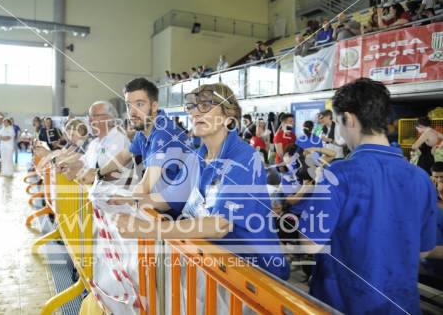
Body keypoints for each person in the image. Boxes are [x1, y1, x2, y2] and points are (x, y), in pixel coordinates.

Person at [114, 83, 290, 279]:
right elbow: (165, 199)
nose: (195, 113)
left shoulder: (244, 158)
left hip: (255, 276)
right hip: (217, 269)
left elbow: (219, 226)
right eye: (192, 107)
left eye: (205, 106)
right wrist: (127, 202)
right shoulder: (197, 158)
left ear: (228, 117)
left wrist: (147, 229)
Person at [296, 78, 437, 314]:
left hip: (345, 302)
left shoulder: (339, 174)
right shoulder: (421, 178)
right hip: (401, 305)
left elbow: (309, 244)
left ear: (349, 119)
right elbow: (424, 249)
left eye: (340, 124)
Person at [78, 77, 189, 202]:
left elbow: (145, 186)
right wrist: (97, 173)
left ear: (154, 106)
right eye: (128, 105)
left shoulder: (164, 131)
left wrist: (125, 199)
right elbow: (123, 156)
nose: (132, 111)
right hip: (158, 204)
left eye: (140, 104)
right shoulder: (144, 130)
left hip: (178, 213)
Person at [75, 101, 130, 182]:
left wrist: (96, 175)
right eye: (89, 116)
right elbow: (84, 162)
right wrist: (69, 166)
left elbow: (119, 172)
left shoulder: (119, 140)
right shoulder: (94, 143)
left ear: (109, 118)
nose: (90, 120)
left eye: (94, 115)